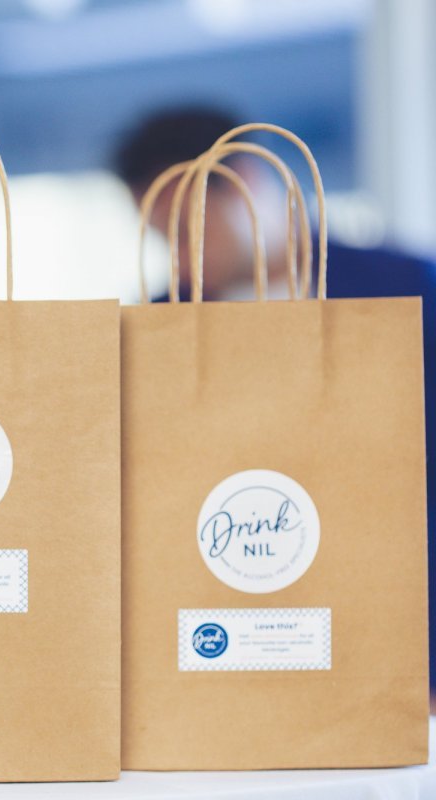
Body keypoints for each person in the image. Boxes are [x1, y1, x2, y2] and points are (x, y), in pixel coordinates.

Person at [114, 107, 436, 696]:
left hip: (405, 624)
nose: (179, 258)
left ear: (248, 184)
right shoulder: (158, 325)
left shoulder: (405, 289)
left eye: (186, 230)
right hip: (234, 631)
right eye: (162, 239)